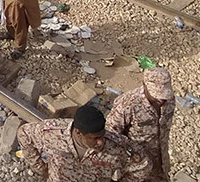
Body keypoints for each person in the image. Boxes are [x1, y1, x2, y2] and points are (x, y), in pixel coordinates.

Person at [18, 104, 150, 182]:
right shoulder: (52, 133)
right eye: (95, 138)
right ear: (78, 133)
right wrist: (41, 168)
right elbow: (24, 133)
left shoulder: (116, 146)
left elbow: (144, 165)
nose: (101, 142)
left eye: (102, 135)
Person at [105, 68, 175, 182]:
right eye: (156, 94)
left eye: (164, 94)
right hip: (136, 167)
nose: (161, 99)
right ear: (144, 85)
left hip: (160, 162)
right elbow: (110, 134)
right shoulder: (128, 104)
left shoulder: (169, 99)